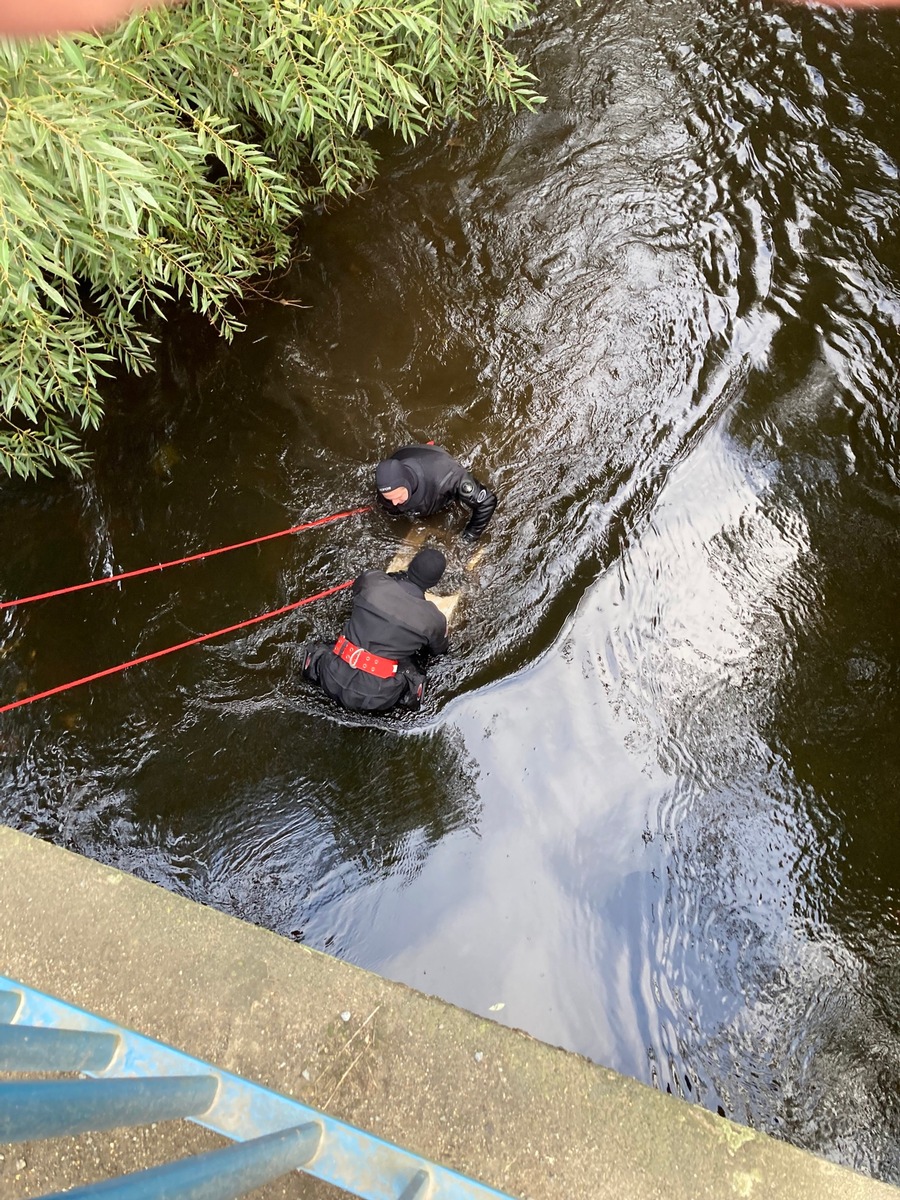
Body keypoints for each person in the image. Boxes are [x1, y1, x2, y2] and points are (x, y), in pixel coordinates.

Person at [301, 547, 450, 714]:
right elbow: (439, 651)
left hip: (329, 675)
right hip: (376, 698)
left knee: (326, 644)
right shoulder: (434, 620)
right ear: (434, 583)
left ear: (410, 564)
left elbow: (355, 592)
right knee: (417, 671)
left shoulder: (372, 581)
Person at [375, 444, 497, 540]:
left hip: (434, 465)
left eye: (399, 496)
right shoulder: (386, 485)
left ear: (406, 485)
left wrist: (470, 536)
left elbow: (487, 502)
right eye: (389, 498)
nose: (395, 502)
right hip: (406, 454)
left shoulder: (448, 477)